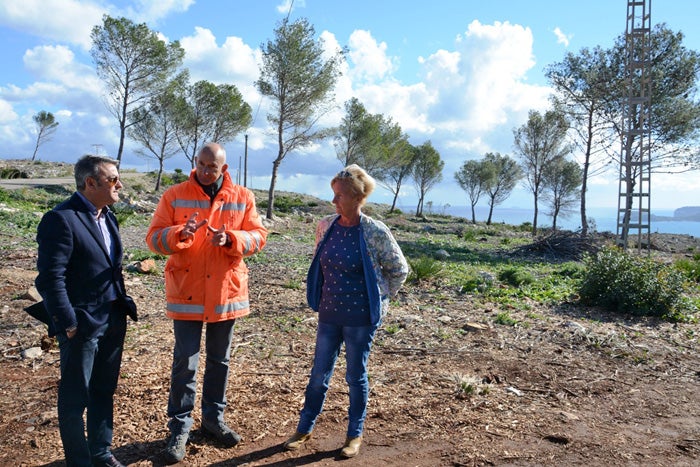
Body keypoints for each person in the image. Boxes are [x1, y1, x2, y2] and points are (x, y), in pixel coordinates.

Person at [146, 142, 268, 464]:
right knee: (185, 363)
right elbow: (153, 238)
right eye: (200, 164)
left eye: (211, 167)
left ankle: (213, 421)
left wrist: (231, 239)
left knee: (219, 361)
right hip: (187, 292)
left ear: (223, 168)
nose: (204, 171)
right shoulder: (174, 195)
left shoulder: (243, 197)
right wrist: (178, 234)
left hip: (226, 293)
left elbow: (258, 237)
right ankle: (179, 428)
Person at [283, 164, 409, 458]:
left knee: (355, 376)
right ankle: (304, 427)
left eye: (339, 196)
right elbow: (319, 261)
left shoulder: (375, 231)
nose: (334, 201)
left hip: (361, 318)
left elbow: (399, 270)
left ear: (356, 198)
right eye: (334, 195)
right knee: (318, 375)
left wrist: (382, 298)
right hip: (329, 312)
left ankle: (354, 435)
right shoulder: (326, 226)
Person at [35, 154, 138, 467]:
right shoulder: (61, 219)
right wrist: (67, 323)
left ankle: (101, 453)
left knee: (103, 390)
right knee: (74, 399)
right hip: (80, 324)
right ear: (90, 183)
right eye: (112, 179)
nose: (119, 185)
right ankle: (79, 462)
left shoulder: (107, 215)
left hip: (112, 318)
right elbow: (50, 278)